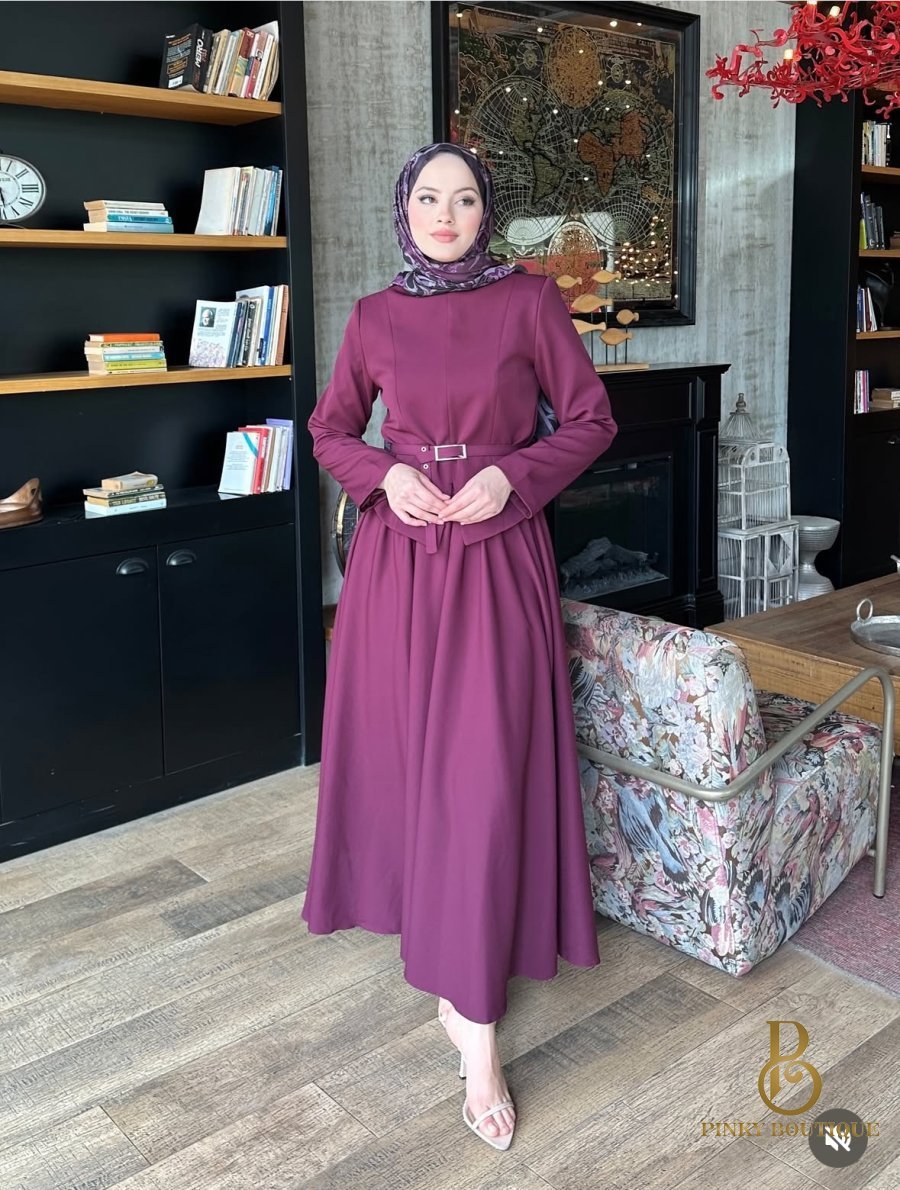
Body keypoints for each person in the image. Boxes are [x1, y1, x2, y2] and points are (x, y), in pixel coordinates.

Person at [301, 142, 617, 1151]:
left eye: (466, 198)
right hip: (397, 565)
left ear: (489, 212)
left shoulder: (530, 303)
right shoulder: (372, 317)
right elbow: (330, 429)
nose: (446, 213)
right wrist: (382, 476)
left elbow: (592, 420)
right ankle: (447, 964)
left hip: (496, 553)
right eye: (429, 198)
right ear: (406, 210)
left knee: (480, 777)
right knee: (410, 770)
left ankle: (476, 1030)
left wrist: (511, 477)